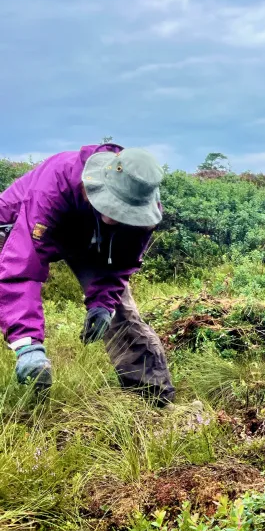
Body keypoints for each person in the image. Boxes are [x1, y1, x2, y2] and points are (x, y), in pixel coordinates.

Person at [0, 143, 175, 405]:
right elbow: (23, 268)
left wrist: (103, 304)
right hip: (20, 223)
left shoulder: (144, 212)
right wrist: (28, 344)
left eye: (122, 212)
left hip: (88, 240)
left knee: (122, 313)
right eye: (112, 206)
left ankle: (153, 400)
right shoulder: (56, 183)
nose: (112, 219)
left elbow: (119, 264)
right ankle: (27, 360)